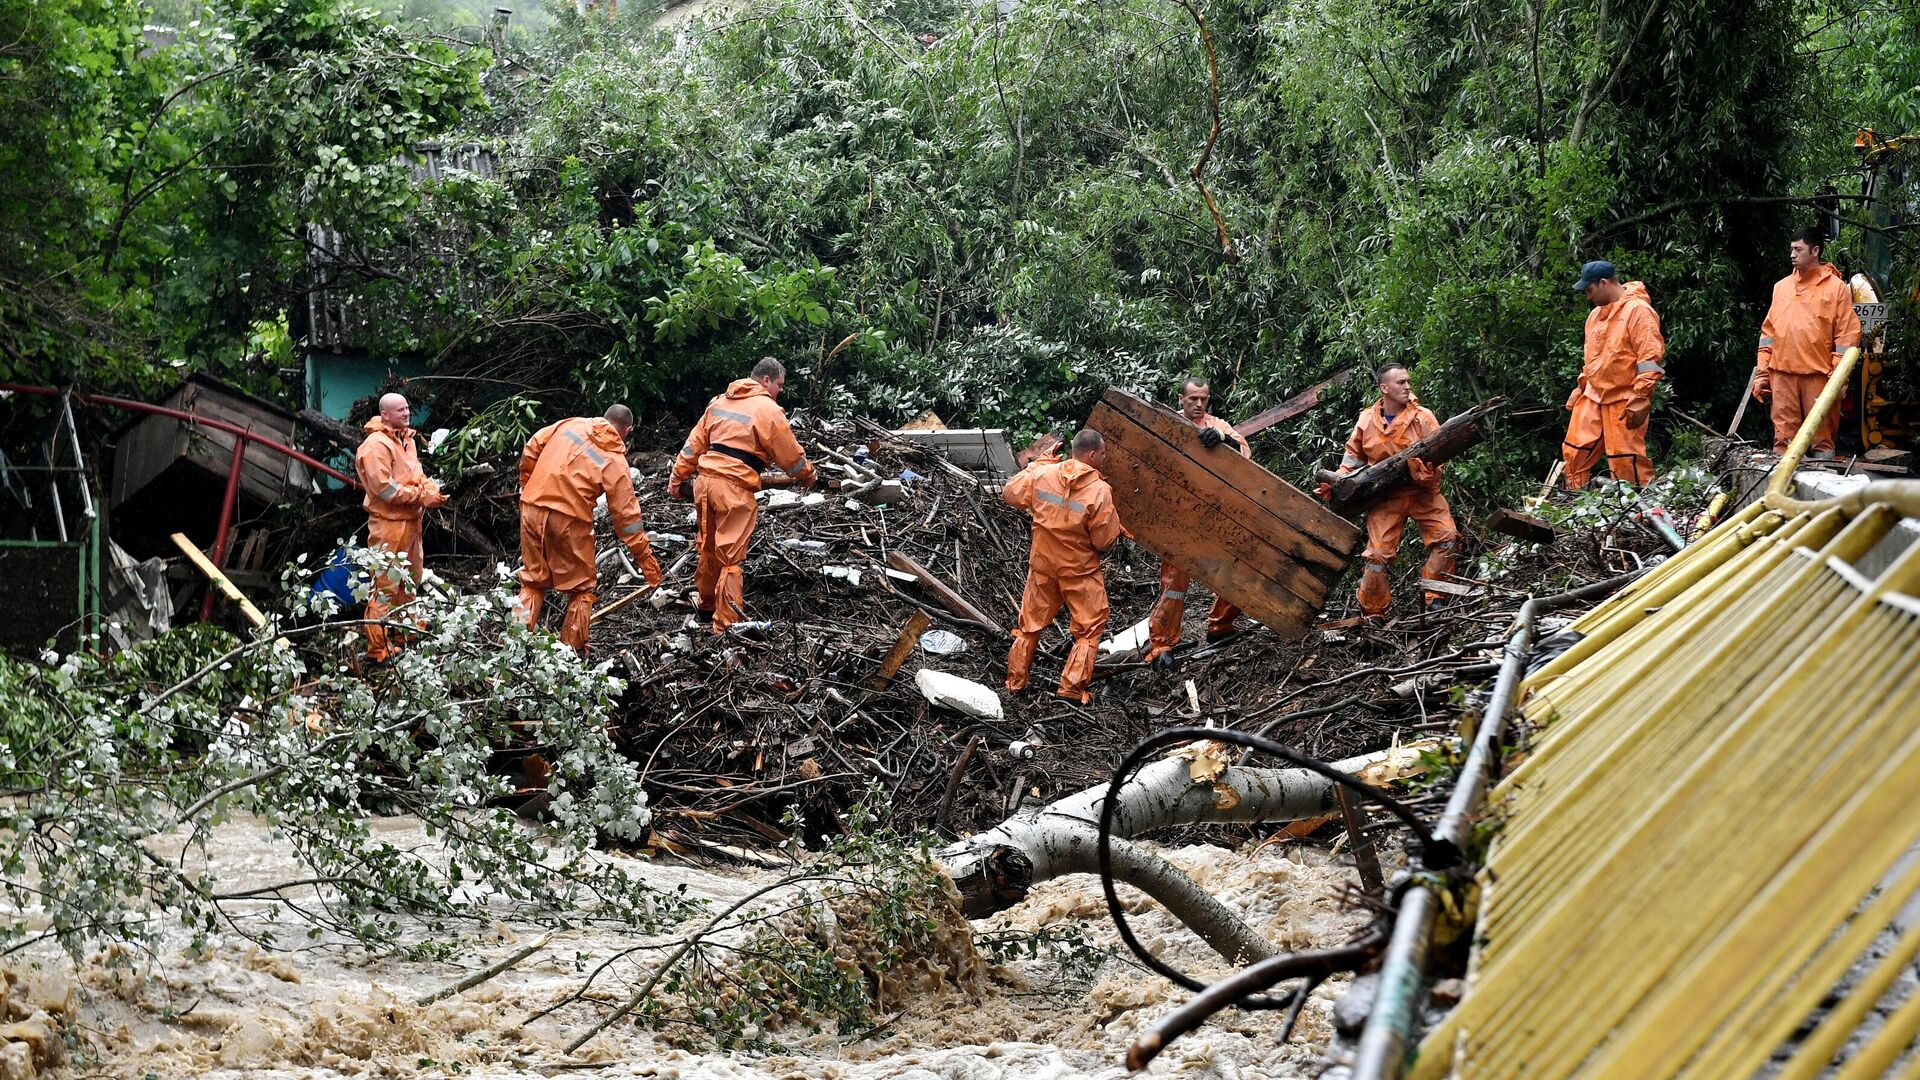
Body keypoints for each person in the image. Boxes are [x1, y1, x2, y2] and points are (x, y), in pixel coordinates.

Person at [668, 358, 817, 632]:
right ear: (766, 380)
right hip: (734, 486)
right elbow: (790, 456)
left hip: (704, 483)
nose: (780, 391)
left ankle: (706, 604)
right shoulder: (767, 409)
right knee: (731, 559)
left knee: (709, 546)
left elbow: (693, 444)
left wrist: (677, 478)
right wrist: (808, 475)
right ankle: (725, 625)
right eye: (779, 385)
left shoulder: (719, 402)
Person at [517, 405, 663, 656]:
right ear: (627, 431)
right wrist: (647, 562)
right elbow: (627, 519)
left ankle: (512, 647)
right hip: (568, 519)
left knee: (532, 581)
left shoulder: (569, 424)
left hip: (530, 506)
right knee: (582, 589)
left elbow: (531, 447)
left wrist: (527, 484)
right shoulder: (615, 461)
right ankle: (570, 656)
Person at [1002, 428, 1128, 704]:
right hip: (1079, 573)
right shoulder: (1099, 490)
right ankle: (1071, 689)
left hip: (1043, 568)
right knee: (1089, 630)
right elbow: (1104, 540)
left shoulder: (1044, 474)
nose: (1105, 458)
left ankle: (1015, 682)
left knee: (1029, 627)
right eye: (1104, 453)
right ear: (1092, 454)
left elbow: (1010, 493)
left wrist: (1039, 464)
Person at [1321, 365, 1458, 617]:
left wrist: (1429, 474)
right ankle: (1373, 613)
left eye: (1408, 381)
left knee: (1447, 537)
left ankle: (1435, 595)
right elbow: (1352, 459)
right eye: (1400, 382)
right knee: (1376, 557)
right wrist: (1336, 483)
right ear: (1384, 388)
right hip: (1384, 497)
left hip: (1422, 493)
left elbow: (1440, 457)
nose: (1407, 386)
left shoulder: (1423, 417)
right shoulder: (1366, 420)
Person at [1145, 377, 1248, 665]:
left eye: (1204, 399)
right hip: (1179, 515)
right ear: (1181, 399)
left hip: (1215, 513)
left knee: (1236, 569)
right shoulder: (1168, 424)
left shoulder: (1218, 425)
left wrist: (1224, 440)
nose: (1199, 404)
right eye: (1193, 399)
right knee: (1175, 582)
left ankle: (1220, 626)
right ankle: (1162, 645)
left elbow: (1243, 450)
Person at [1749, 227, 1863, 457]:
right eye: (1791, 248)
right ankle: (1781, 485)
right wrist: (1763, 373)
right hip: (1782, 375)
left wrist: (1838, 380)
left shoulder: (1836, 289)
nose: (1792, 254)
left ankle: (1824, 483)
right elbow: (1768, 333)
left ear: (1815, 251)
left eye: (1798, 249)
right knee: (1784, 437)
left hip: (1818, 376)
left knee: (1821, 438)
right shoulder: (1781, 288)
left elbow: (1847, 336)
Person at [354, 392, 445, 664]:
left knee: (409, 580)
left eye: (407, 409)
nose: (407, 413)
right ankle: (378, 649)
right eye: (400, 410)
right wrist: (419, 496)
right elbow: (384, 488)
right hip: (388, 525)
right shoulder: (375, 446)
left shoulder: (407, 440)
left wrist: (430, 488)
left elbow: (414, 475)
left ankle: (404, 633)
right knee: (385, 586)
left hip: (411, 523)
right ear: (385, 414)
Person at [1563, 260, 1665, 488]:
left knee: (1625, 459)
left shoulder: (1638, 311)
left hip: (1624, 396)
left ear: (1603, 283)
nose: (1588, 297)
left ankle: (1637, 507)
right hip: (1593, 394)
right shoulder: (1594, 317)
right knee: (1575, 451)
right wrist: (1580, 386)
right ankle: (1574, 499)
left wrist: (1641, 396)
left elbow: (1649, 358)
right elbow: (1593, 359)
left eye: (1589, 290)